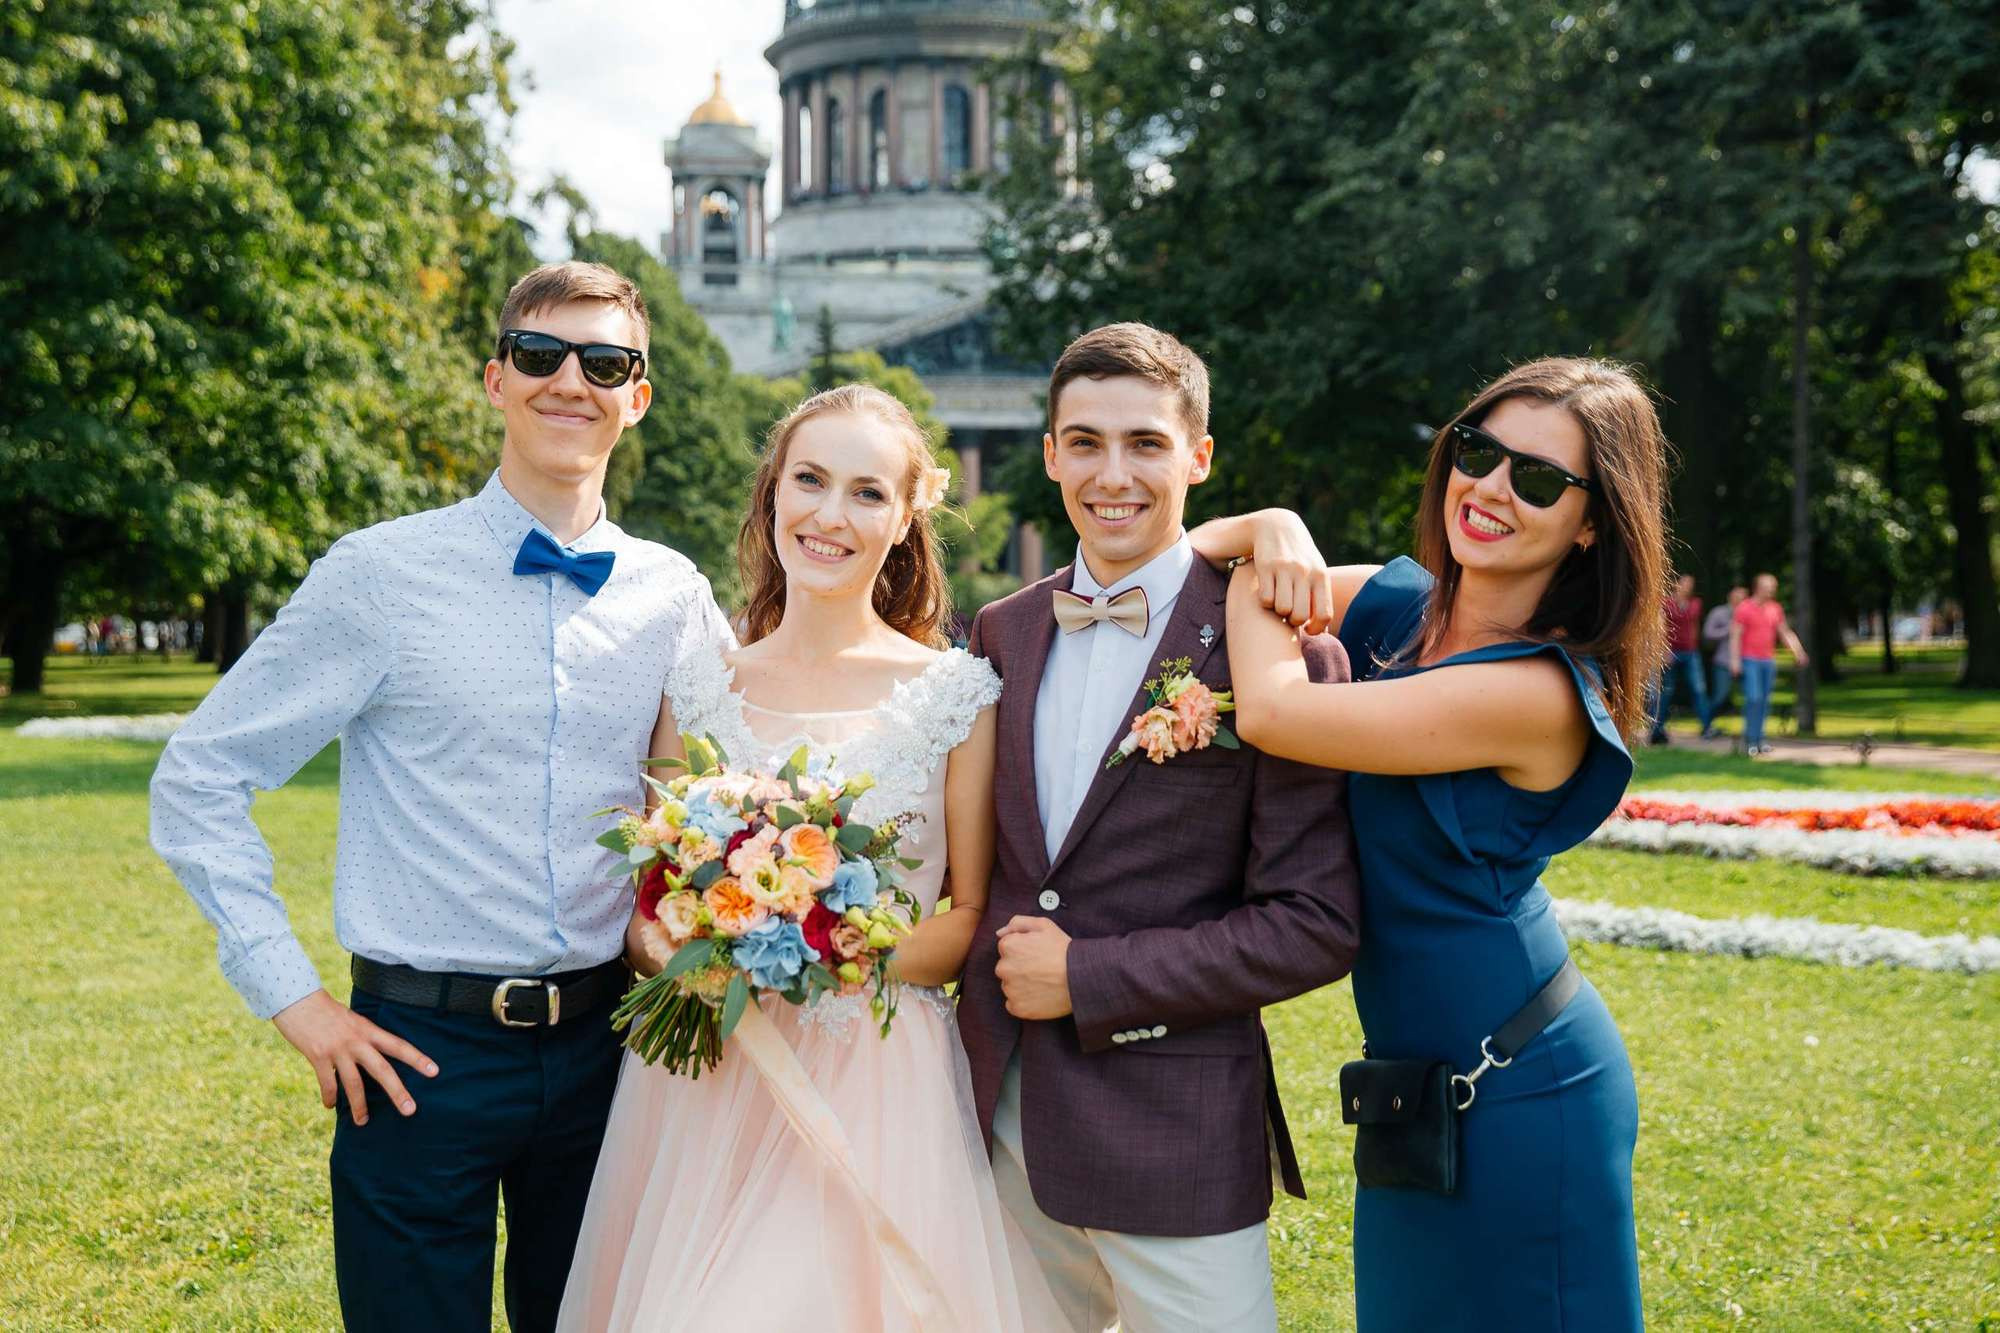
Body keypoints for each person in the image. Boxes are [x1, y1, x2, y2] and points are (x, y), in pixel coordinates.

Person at [150, 261, 731, 1332]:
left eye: (604, 361)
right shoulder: (379, 575)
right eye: (538, 353)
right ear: (494, 379)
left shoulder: (673, 592)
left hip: (613, 1050)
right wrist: (298, 1002)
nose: (571, 380)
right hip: (417, 1056)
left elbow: (731, 779)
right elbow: (199, 778)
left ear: (637, 395)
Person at [558, 384, 1065, 1331]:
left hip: (880, 1076)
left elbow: (964, 915)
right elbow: (649, 906)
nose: (831, 515)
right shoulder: (702, 681)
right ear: (773, 493)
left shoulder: (956, 694)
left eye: (868, 493)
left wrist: (817, 945)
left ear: (907, 517)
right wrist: (697, 948)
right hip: (711, 1081)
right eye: (811, 480)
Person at [1192, 356, 1664, 1330]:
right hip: (1411, 1096)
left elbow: (1275, 711)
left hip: (1524, 1089)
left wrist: (1261, 557)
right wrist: (1259, 531)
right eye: (1476, 452)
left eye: (1535, 479)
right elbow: (1180, 580)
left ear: (1589, 523)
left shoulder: (1534, 692)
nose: (1488, 488)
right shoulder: (1392, 608)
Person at [958, 323, 1363, 1331]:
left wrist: (1087, 976)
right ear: (1048, 453)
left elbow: (1313, 920)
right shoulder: (999, 631)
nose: (1112, 474)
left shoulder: (1275, 646)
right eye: (1084, 442)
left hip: (1171, 1135)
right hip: (990, 1126)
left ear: (1198, 457)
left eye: (1144, 442)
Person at [1729, 572, 1809, 756]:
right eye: (1768, 586)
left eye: (1773, 586)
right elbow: (1735, 636)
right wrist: (1734, 661)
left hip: (1767, 661)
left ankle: (1760, 739)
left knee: (1765, 701)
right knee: (1754, 698)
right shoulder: (1744, 608)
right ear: (1758, 587)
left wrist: (1798, 651)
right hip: (1750, 660)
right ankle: (1750, 739)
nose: (1772, 590)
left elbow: (1785, 632)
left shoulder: (1775, 608)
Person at [1649, 573, 1712, 743]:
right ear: (1677, 585)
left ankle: (1707, 726)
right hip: (1670, 652)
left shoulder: (1695, 604)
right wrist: (1662, 651)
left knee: (1698, 689)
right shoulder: (1666, 603)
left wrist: (1695, 644)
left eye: (1690, 585)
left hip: (1690, 652)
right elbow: (1660, 628)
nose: (1687, 587)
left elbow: (1695, 626)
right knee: (1666, 691)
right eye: (1684, 584)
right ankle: (1657, 729)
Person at [1702, 583, 1746, 720]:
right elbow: (1708, 634)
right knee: (1720, 696)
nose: (1740, 598)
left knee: (1751, 697)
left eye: (1743, 595)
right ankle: (1707, 725)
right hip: (1723, 662)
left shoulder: (1748, 614)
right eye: (1737, 594)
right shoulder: (1718, 612)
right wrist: (1728, 630)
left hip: (1746, 661)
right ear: (1730, 596)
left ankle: (1751, 733)